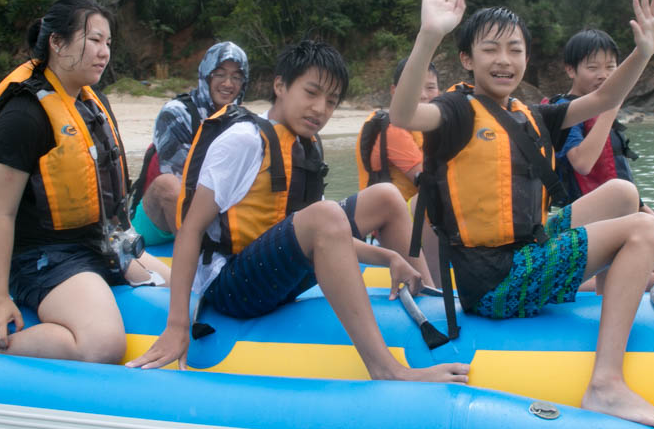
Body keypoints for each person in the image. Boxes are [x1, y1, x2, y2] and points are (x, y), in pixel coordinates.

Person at [390, 0, 654, 428]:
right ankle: (605, 384)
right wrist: (429, 35)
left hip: (527, 249)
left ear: (527, 57)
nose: (504, 60)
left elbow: (605, 95)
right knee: (646, 228)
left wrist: (643, 52)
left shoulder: (531, 116)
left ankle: (613, 290)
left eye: (515, 49)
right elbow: (404, 113)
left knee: (624, 193)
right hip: (495, 282)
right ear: (466, 58)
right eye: (490, 49)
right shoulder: (455, 113)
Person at [127, 40, 468, 384]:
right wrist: (177, 325)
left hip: (272, 268)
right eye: (311, 93)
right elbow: (190, 230)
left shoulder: (305, 144)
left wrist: (386, 257)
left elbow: (321, 236)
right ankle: (386, 368)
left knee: (386, 196)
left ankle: (428, 303)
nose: (320, 109)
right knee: (326, 213)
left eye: (331, 101)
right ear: (280, 86)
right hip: (230, 286)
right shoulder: (244, 140)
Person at [0, 0, 170, 362]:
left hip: (99, 245)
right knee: (103, 345)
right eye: (94, 40)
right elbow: (1, 214)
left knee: (186, 289)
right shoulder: (23, 115)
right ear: (57, 42)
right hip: (42, 258)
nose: (104, 53)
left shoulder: (90, 102)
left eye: (108, 43)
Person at [549, 29, 654, 290]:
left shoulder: (601, 113)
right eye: (593, 67)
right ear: (570, 70)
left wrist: (645, 210)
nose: (604, 74)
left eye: (611, 67)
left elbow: (616, 174)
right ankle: (566, 284)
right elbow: (583, 163)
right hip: (585, 220)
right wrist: (610, 109)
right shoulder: (563, 112)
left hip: (618, 215)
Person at [128, 42, 249, 246]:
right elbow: (183, 185)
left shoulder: (244, 122)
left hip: (214, 214)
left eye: (236, 76)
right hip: (158, 219)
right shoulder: (176, 113)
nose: (228, 83)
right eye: (219, 74)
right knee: (168, 185)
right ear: (206, 74)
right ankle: (199, 260)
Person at [356, 59, 444, 285]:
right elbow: (430, 182)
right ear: (396, 91)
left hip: (410, 221)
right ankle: (435, 285)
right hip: (392, 225)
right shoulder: (394, 128)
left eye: (431, 87)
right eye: (415, 86)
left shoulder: (429, 128)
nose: (423, 95)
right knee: (430, 197)